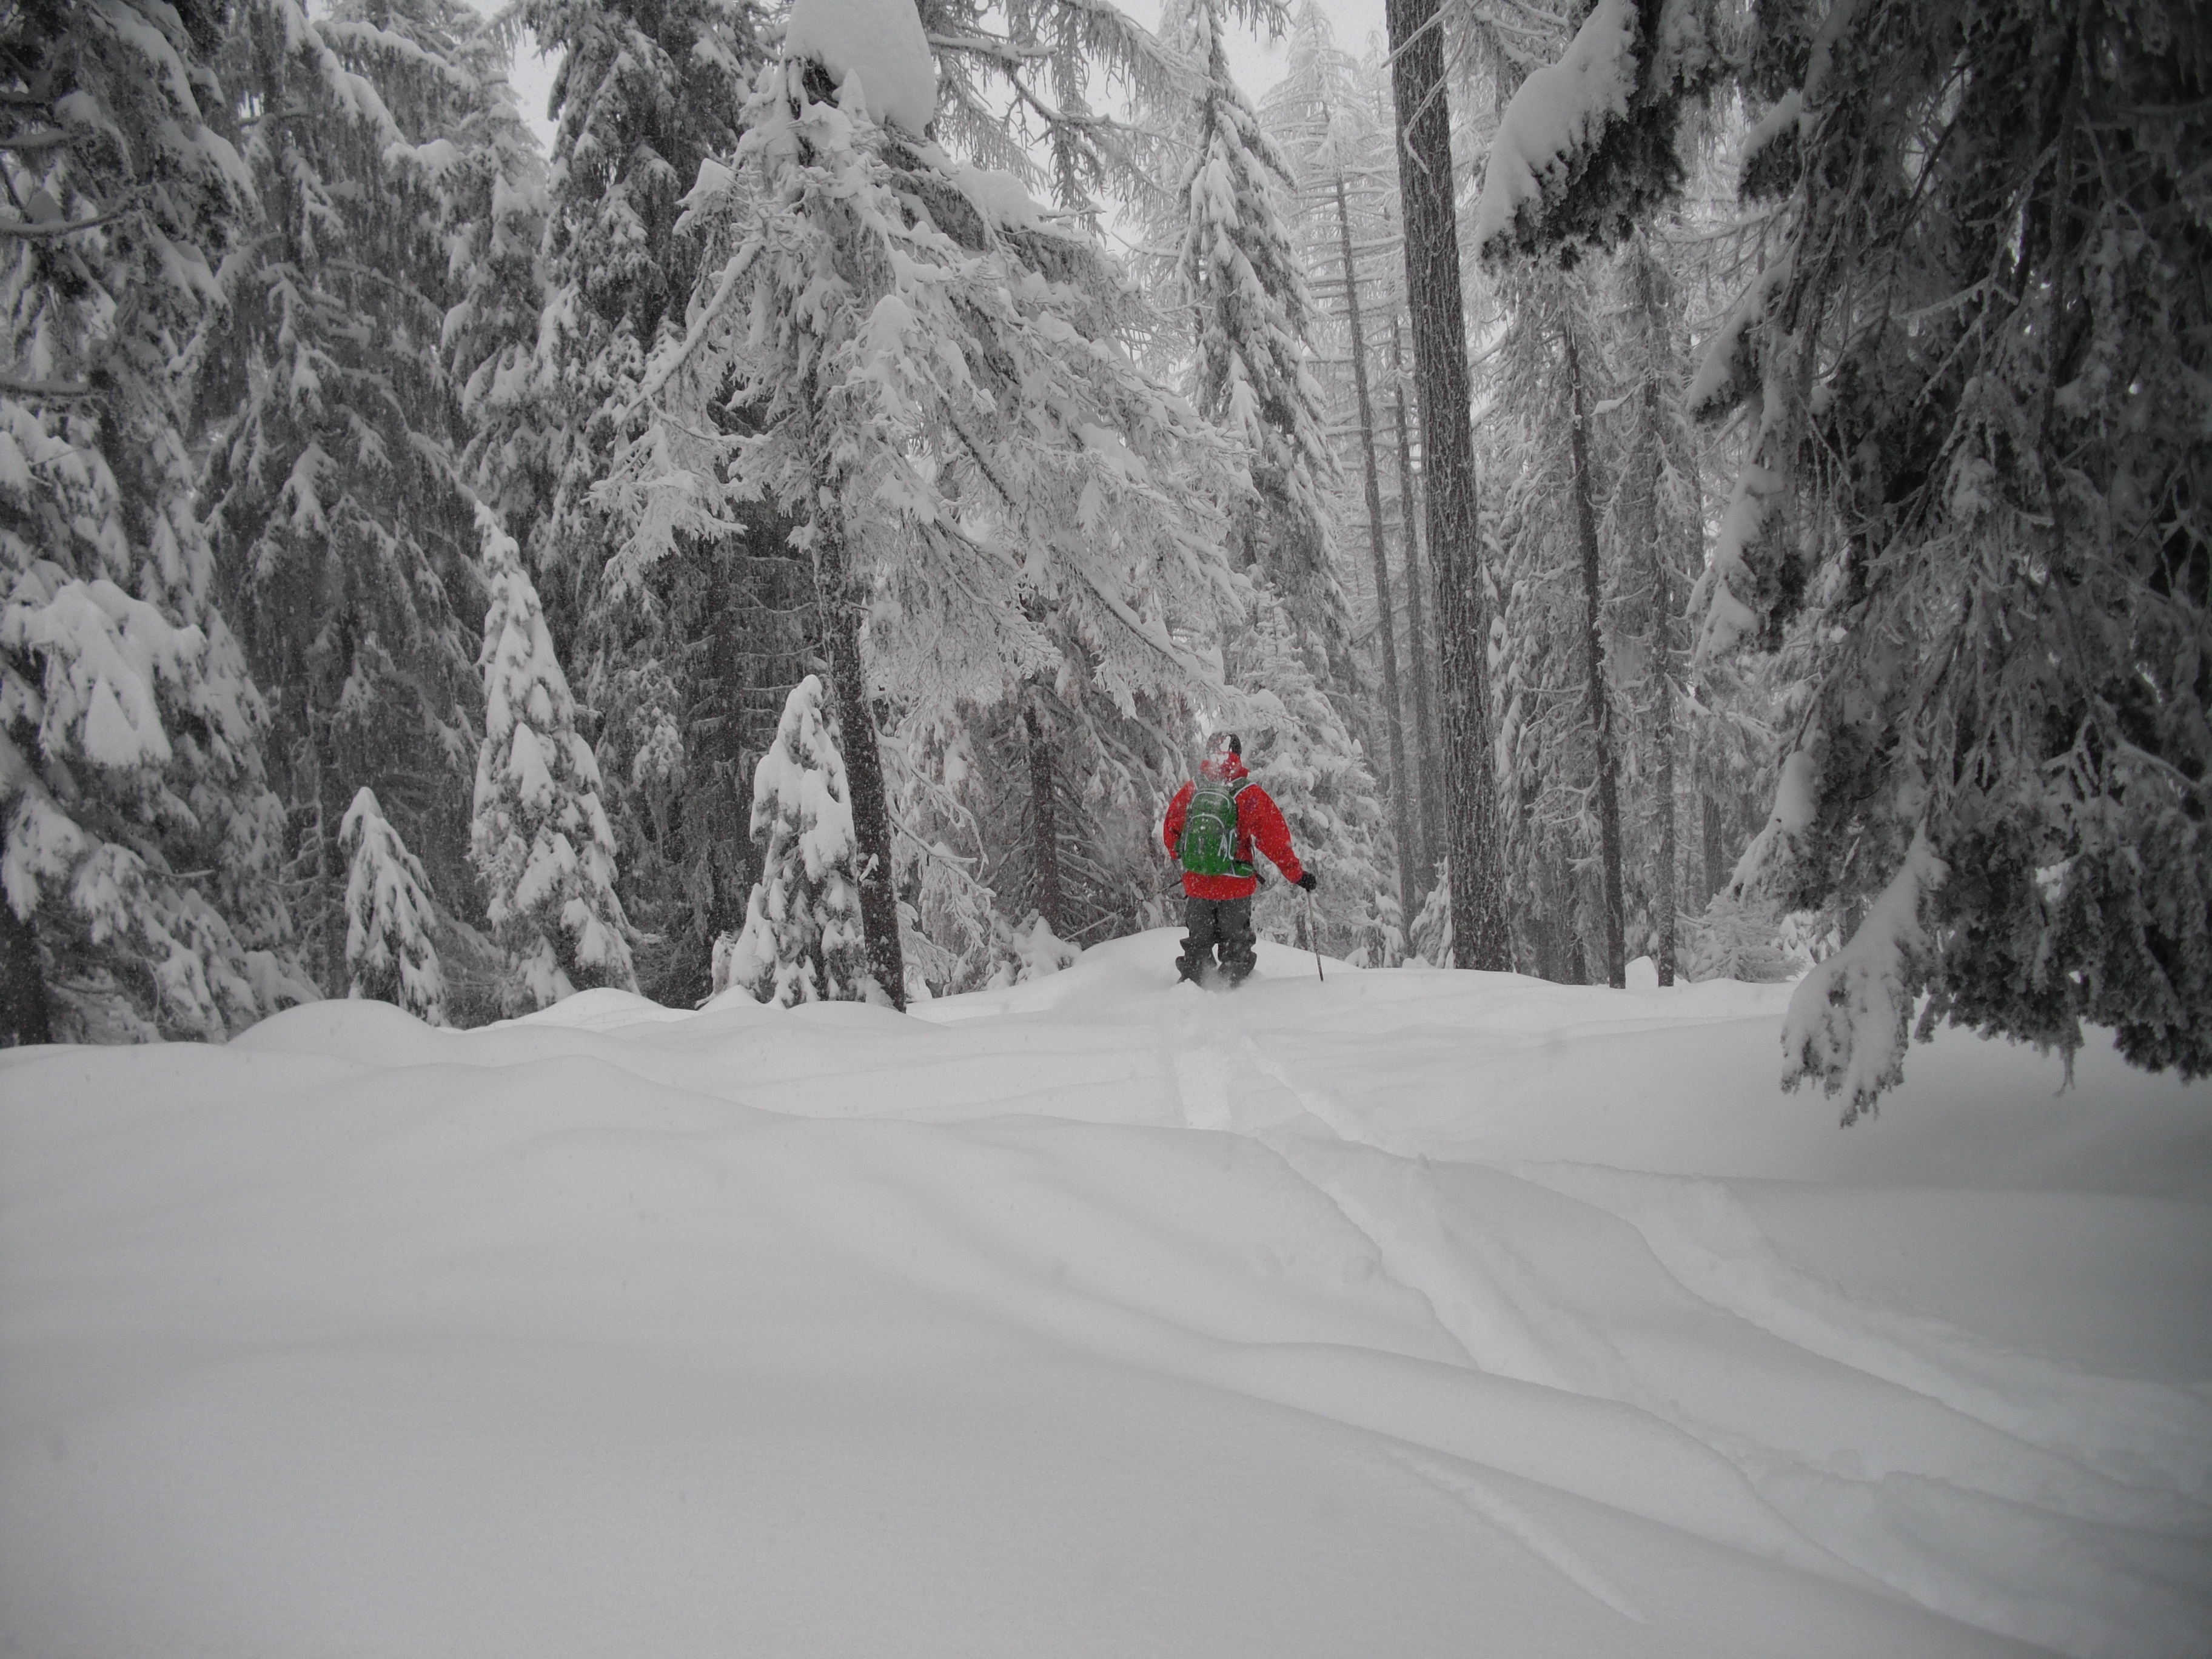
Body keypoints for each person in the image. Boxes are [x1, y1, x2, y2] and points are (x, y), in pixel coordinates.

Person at [1161, 733, 1316, 987]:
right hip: (1235, 888)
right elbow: (1275, 839)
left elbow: (1171, 828)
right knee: (1237, 951)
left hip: (1199, 885)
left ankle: (1191, 994)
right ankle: (1233, 997)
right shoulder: (1248, 793)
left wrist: (1187, 855)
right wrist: (1297, 875)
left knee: (1197, 948)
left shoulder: (1194, 788)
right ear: (1238, 755)